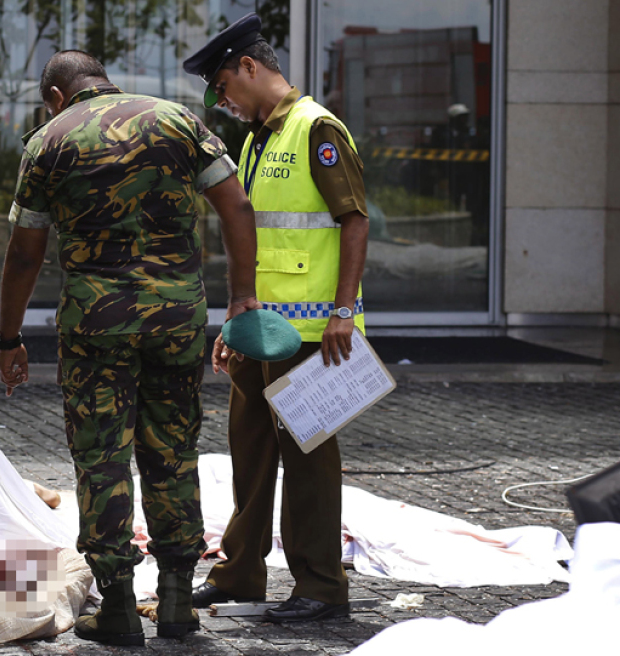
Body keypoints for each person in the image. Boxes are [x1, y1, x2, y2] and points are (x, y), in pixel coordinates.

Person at [0, 51, 259, 646]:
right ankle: (175, 602)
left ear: (57, 97)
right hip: (177, 320)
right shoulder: (179, 121)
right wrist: (242, 296)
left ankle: (116, 608)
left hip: (97, 327)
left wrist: (10, 337)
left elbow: (24, 253)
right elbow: (236, 207)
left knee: (102, 460)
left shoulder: (49, 140)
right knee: (174, 450)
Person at [183, 13, 369, 622]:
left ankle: (321, 587)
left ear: (249, 67)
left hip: (316, 334)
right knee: (251, 449)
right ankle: (240, 574)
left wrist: (343, 310)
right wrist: (236, 324)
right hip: (263, 331)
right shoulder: (260, 136)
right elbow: (259, 241)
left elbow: (354, 221)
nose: (224, 102)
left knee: (309, 459)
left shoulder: (317, 128)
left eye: (224, 87)